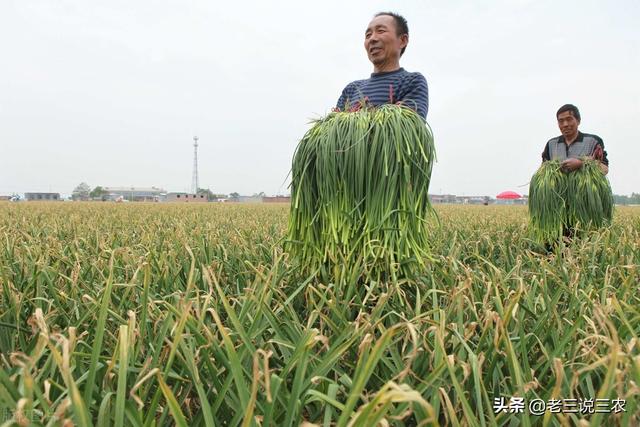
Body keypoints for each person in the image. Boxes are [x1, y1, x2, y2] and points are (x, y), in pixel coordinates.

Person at [336, 12, 429, 120]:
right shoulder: (351, 89)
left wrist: (356, 119)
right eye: (368, 35)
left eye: (381, 31)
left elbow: (408, 127)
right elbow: (333, 132)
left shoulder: (412, 81)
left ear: (402, 40)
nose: (372, 39)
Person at [542, 104, 609, 174]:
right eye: (561, 121)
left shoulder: (593, 141)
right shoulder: (551, 144)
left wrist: (581, 164)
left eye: (569, 119)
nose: (565, 124)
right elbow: (543, 171)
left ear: (578, 121)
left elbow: (605, 169)